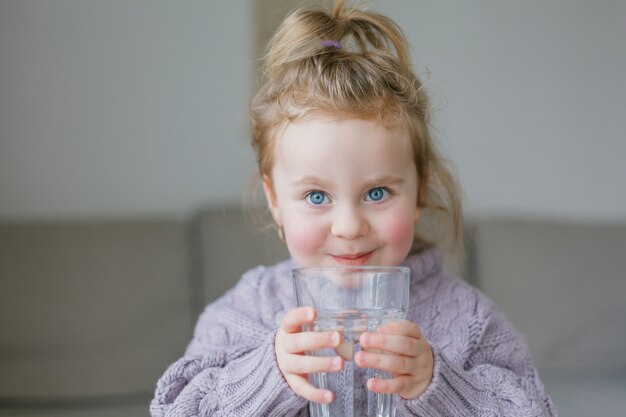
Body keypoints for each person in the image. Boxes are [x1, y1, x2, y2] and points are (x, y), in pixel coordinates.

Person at [150, 1, 557, 416]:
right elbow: (174, 409)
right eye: (316, 196)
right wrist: (267, 375)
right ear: (274, 202)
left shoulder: (468, 320)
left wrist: (442, 384)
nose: (348, 226)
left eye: (377, 193)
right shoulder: (247, 311)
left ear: (419, 194)